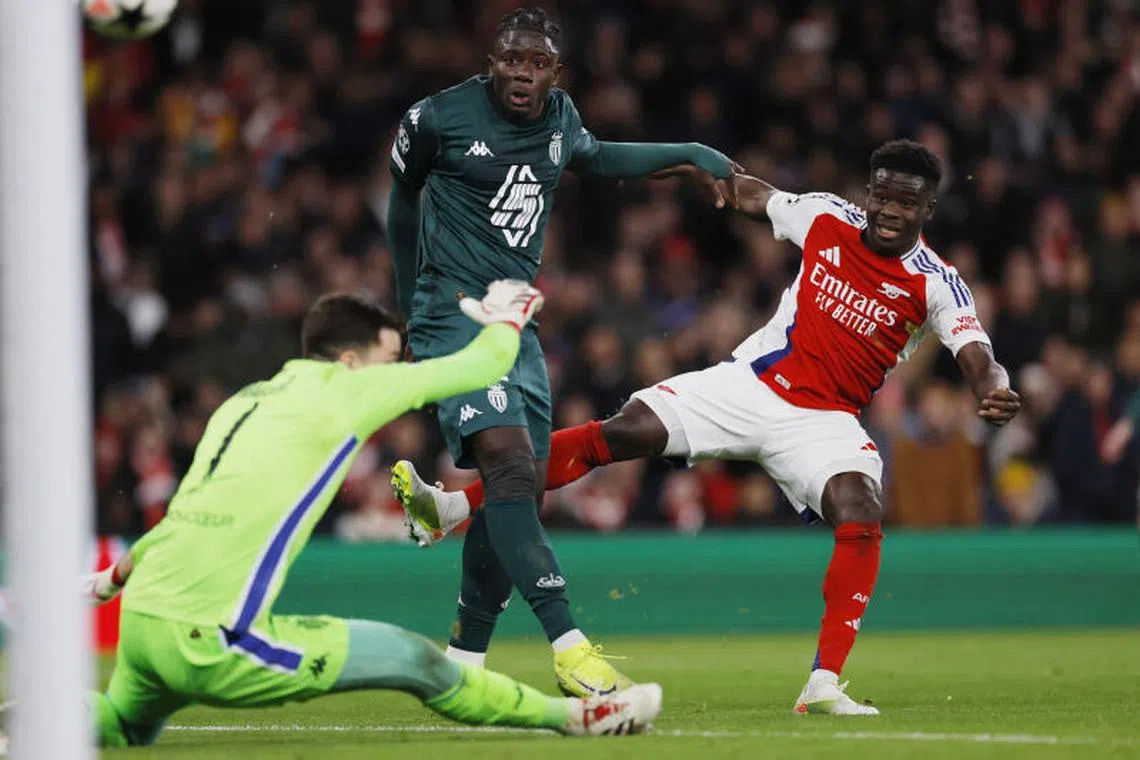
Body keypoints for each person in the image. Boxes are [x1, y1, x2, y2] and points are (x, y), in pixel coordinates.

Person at [394, 140, 1022, 715]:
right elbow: (756, 194)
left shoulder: (937, 283)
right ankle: (451, 507)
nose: (888, 210)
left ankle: (823, 683)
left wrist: (993, 390)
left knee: (859, 506)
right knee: (622, 431)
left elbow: (977, 356)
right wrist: (706, 169)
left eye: (905, 202)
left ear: (927, 209)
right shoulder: (829, 217)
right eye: (881, 195)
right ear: (868, 192)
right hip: (749, 386)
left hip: (824, 422)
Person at [82, 281, 662, 747]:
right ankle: (579, 718)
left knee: (124, 724)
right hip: (202, 639)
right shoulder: (345, 391)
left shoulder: (247, 400)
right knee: (412, 658)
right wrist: (512, 313)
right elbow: (481, 367)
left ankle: (20, 723)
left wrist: (115, 577)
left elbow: (190, 510)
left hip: (142, 620)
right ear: (353, 360)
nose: (397, 368)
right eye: (390, 358)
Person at [386, 6, 735, 696]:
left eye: (536, 63)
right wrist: (410, 311)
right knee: (512, 466)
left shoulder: (561, 119)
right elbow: (402, 201)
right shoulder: (435, 119)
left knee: (520, 485)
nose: (521, 73)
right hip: (453, 315)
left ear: (554, 72)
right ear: (492, 63)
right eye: (510, 60)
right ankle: (570, 645)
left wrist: (689, 154)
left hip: (518, 326)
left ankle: (464, 663)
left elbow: (602, 158)